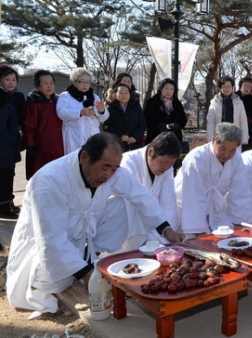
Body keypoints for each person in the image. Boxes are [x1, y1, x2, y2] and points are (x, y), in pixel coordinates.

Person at [6, 132, 182, 316]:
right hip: (45, 249)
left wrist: (165, 228)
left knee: (127, 204)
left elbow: (139, 194)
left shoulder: (111, 171)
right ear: (84, 158)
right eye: (105, 168)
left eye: (114, 169)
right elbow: (51, 239)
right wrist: (88, 275)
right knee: (57, 280)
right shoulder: (49, 181)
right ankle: (80, 268)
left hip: (83, 239)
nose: (108, 175)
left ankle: (91, 257)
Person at [175, 122, 252, 235]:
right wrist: (200, 230)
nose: (226, 155)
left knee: (229, 237)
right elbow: (194, 197)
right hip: (187, 209)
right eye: (223, 148)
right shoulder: (196, 159)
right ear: (213, 141)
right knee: (193, 244)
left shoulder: (236, 158)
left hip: (215, 208)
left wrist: (241, 223)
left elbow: (240, 192)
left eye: (232, 150)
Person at [121, 132, 181, 243]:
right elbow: (137, 200)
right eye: (163, 162)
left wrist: (169, 230)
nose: (166, 167)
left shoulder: (167, 168)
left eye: (171, 163)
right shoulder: (127, 164)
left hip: (156, 225)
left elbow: (168, 202)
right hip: (127, 226)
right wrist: (164, 228)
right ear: (150, 152)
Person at [22, 70, 64, 180]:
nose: (49, 86)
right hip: (40, 149)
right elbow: (28, 127)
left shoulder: (59, 101)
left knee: (58, 179)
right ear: (38, 85)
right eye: (45, 83)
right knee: (41, 179)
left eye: (51, 82)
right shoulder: (33, 102)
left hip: (58, 147)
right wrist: (30, 146)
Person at [56, 68, 109, 154]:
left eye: (87, 82)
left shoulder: (94, 97)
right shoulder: (66, 96)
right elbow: (61, 113)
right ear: (74, 82)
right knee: (74, 161)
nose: (85, 84)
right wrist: (80, 112)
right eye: (82, 81)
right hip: (74, 134)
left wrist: (101, 110)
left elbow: (103, 118)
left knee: (92, 160)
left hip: (92, 134)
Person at [0, 64, 24, 214]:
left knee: (10, 173)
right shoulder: (1, 97)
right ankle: (4, 205)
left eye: (13, 79)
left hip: (12, 142)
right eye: (7, 79)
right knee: (4, 174)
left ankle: (9, 202)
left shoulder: (18, 96)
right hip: (4, 141)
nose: (11, 82)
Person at [206, 76, 249, 145]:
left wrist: (244, 138)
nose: (227, 89)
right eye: (224, 86)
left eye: (229, 86)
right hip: (220, 136)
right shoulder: (214, 102)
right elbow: (211, 120)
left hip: (235, 136)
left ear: (232, 87)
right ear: (220, 88)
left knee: (234, 154)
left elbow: (243, 120)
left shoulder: (238, 102)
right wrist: (210, 138)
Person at [103, 83, 146, 151]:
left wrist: (135, 136)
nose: (124, 95)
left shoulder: (136, 106)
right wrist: (120, 136)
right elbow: (106, 126)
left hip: (135, 144)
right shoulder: (110, 108)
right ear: (115, 95)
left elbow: (142, 124)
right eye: (121, 93)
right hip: (117, 145)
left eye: (126, 92)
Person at [144, 78, 187, 145]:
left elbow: (183, 119)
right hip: (155, 137)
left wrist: (177, 125)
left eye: (171, 89)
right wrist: (158, 125)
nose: (168, 91)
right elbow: (146, 118)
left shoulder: (177, 103)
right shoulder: (152, 102)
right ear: (161, 89)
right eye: (166, 89)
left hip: (174, 138)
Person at [237, 76, 252, 150]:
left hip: (249, 131)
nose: (247, 88)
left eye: (249, 86)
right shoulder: (234, 97)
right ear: (240, 86)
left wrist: (247, 121)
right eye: (245, 85)